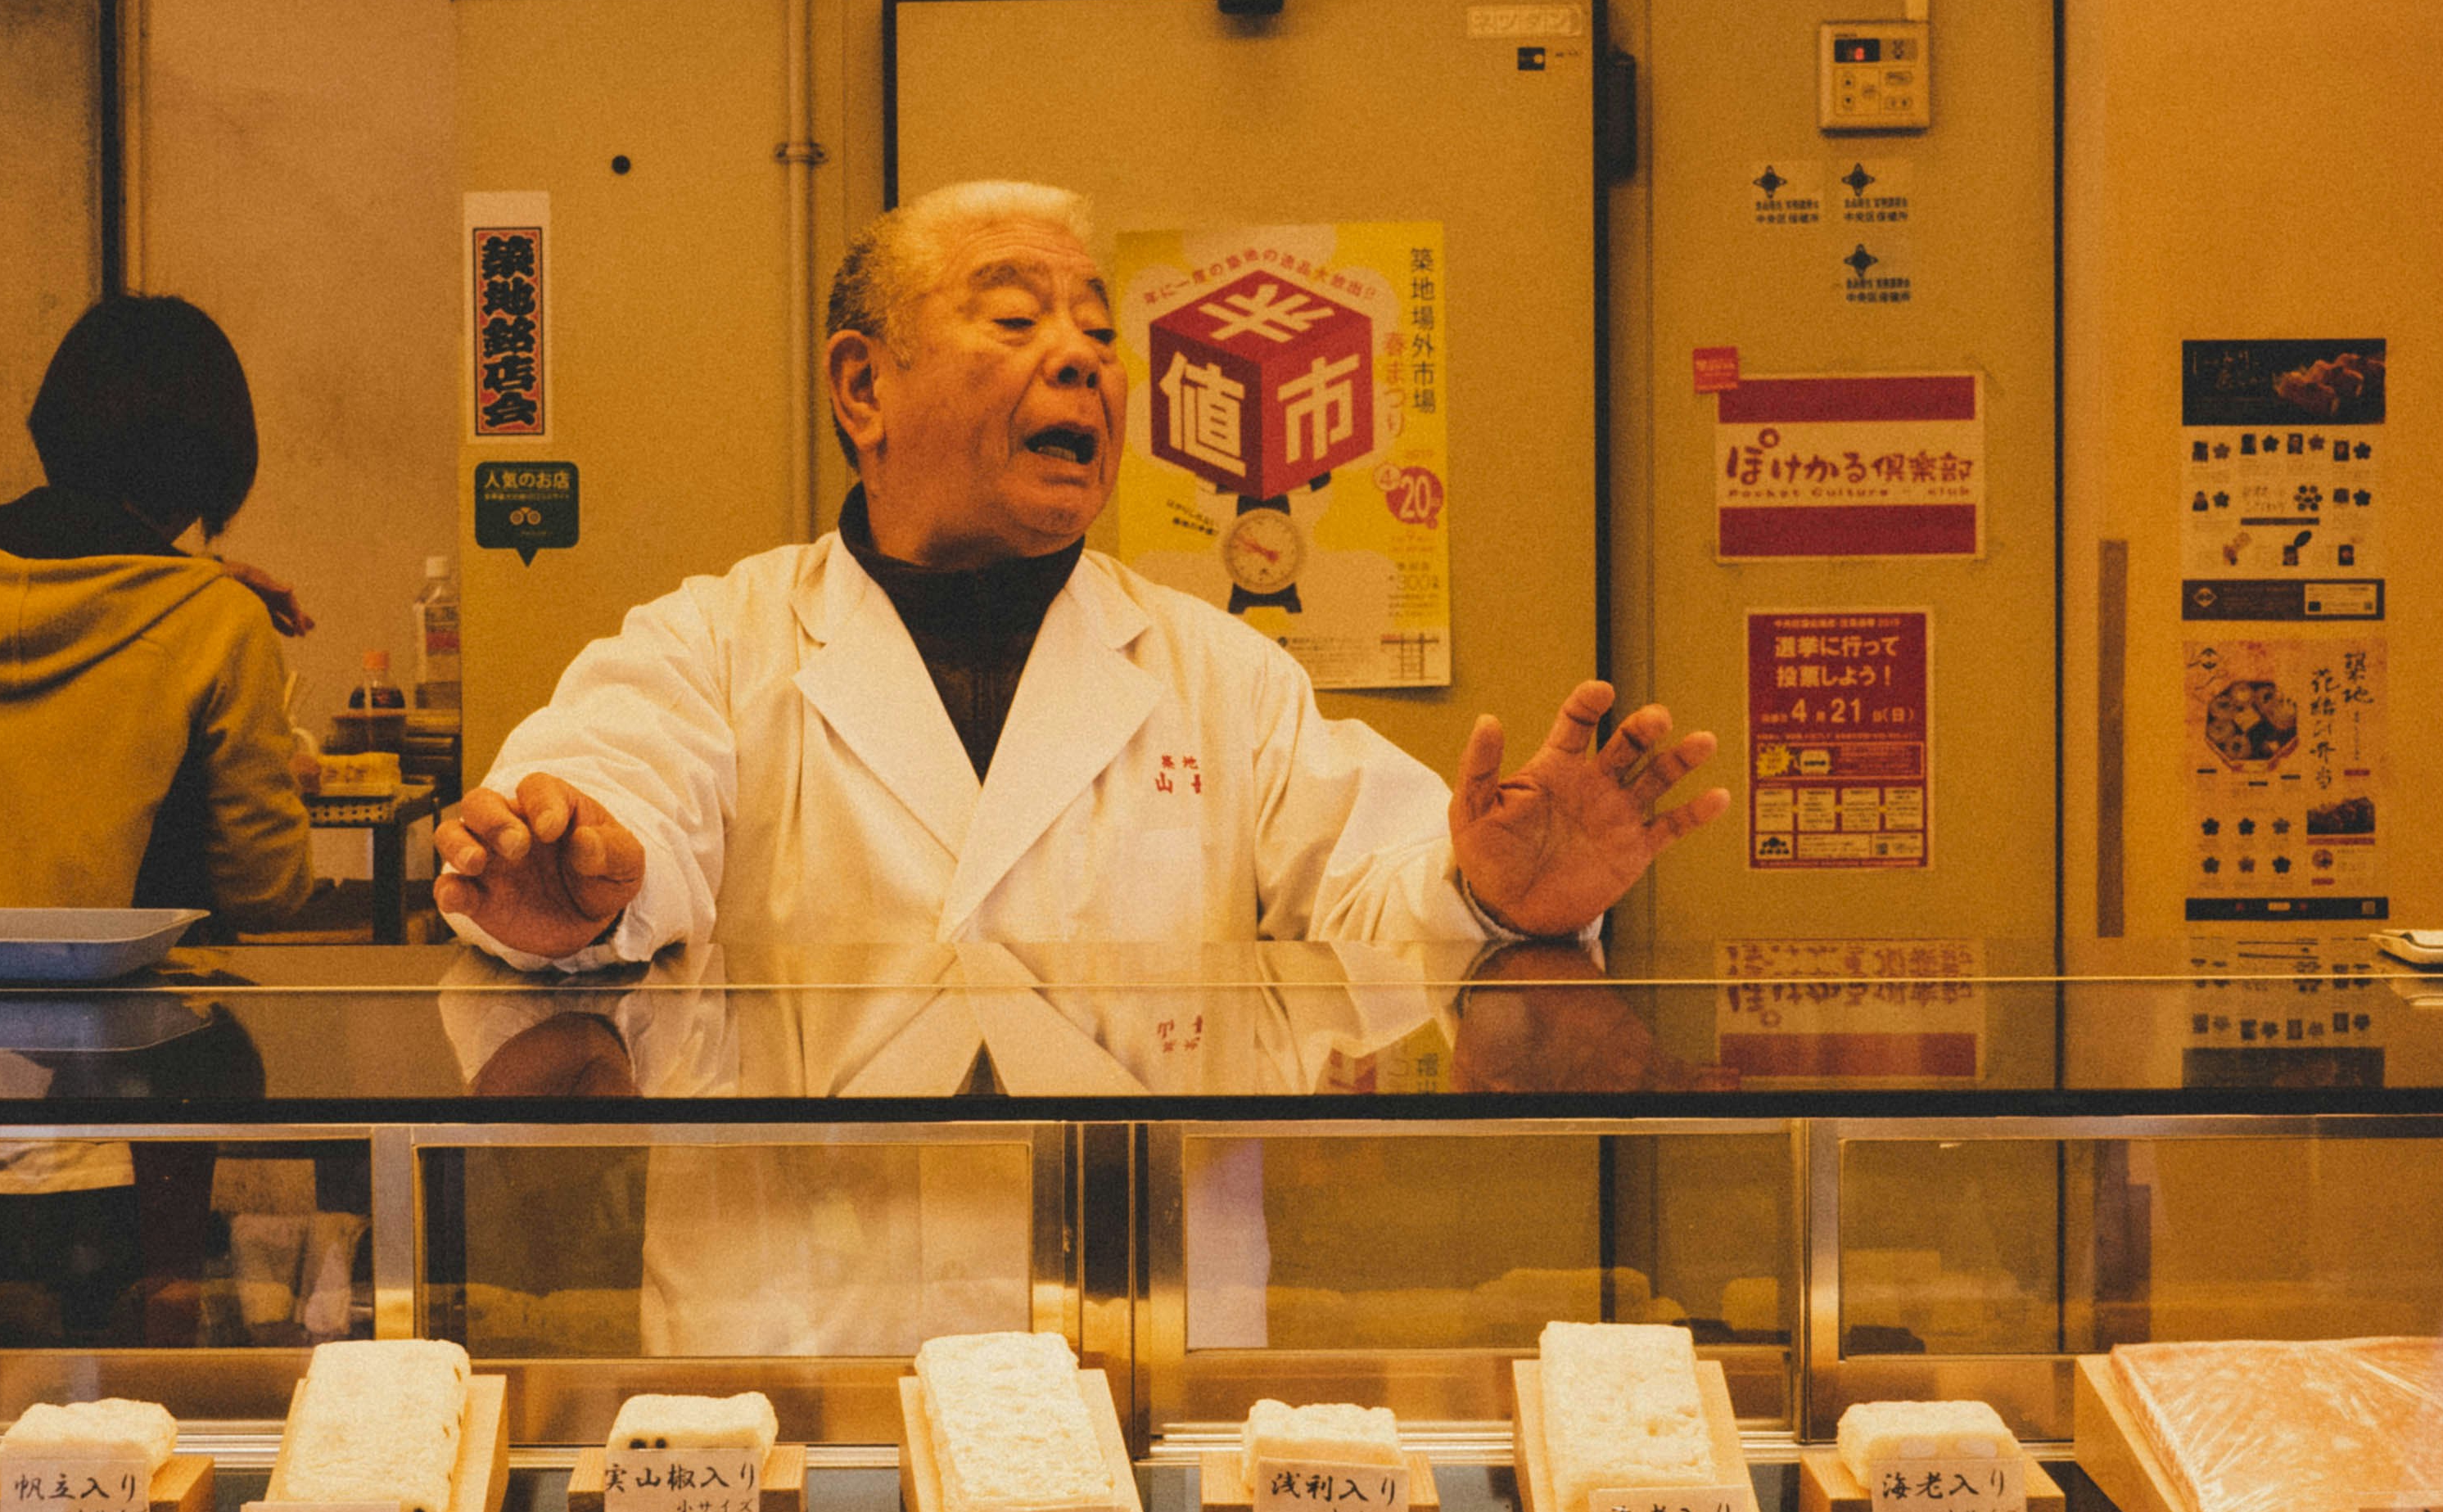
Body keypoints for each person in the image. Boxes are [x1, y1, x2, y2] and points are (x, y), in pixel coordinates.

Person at [436, 180, 1723, 968]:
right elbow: (614, 805)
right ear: (862, 384)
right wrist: (574, 886)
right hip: (809, 1331)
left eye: (1100, 333)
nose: (1083, 362)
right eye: (1014, 320)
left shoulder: (1225, 678)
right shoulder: (709, 649)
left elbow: (1385, 896)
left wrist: (1492, 898)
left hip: (1132, 1326)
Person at [0, 295, 316, 933]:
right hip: (119, 1005)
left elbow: (70, 587)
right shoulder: (218, 621)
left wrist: (204, 580)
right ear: (212, 456)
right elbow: (265, 888)